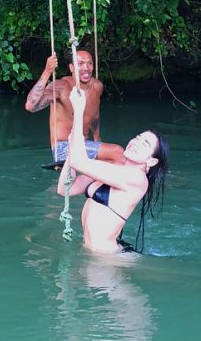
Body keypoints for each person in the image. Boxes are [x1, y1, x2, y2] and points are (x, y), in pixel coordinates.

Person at [57, 86, 169, 254]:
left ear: (152, 161)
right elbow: (66, 189)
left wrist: (79, 111)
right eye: (138, 137)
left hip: (107, 259)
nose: (136, 141)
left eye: (145, 144)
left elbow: (79, 161)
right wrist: (71, 147)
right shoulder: (113, 169)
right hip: (92, 253)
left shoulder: (137, 179)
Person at [24, 50, 124, 166]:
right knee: (118, 153)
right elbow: (30, 106)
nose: (86, 68)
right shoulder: (61, 86)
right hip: (64, 147)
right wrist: (47, 72)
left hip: (85, 144)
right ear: (71, 68)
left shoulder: (97, 86)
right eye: (80, 64)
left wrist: (97, 138)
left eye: (90, 63)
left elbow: (94, 116)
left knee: (113, 160)